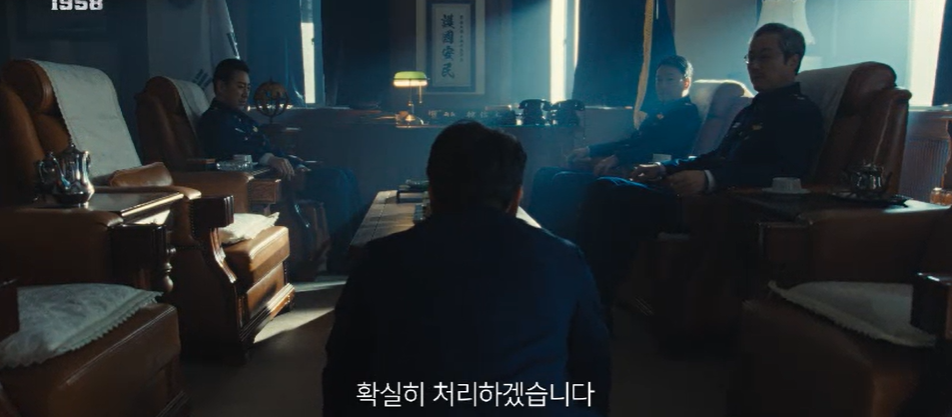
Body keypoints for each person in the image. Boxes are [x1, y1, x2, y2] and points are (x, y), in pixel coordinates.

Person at [323, 120, 611, 417]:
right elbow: (592, 365)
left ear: (432, 192)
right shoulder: (563, 258)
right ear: (516, 198)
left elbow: (344, 370)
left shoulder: (380, 258)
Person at [575, 23, 825, 332]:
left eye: (765, 57)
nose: (754, 66)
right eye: (750, 58)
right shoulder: (753, 110)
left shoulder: (799, 113)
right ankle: (590, 299)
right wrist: (665, 168)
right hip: (702, 196)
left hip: (727, 207)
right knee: (608, 190)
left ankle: (591, 306)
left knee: (608, 192)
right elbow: (714, 156)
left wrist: (709, 179)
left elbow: (783, 172)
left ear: (792, 60)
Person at [197, 58, 363, 275]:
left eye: (248, 88)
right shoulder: (213, 120)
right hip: (262, 178)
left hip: (282, 171)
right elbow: (229, 151)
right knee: (336, 181)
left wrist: (297, 163)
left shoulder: (243, 120)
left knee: (346, 174)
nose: (245, 93)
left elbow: (273, 149)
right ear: (220, 87)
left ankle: (357, 250)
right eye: (240, 87)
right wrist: (268, 159)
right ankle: (340, 258)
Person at [528, 55, 701, 240]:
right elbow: (631, 141)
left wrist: (618, 158)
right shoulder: (658, 111)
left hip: (644, 174)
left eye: (670, 80)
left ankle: (556, 243)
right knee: (544, 174)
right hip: (627, 165)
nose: (663, 85)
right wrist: (590, 150)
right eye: (659, 80)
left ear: (686, 82)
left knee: (563, 180)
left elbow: (658, 147)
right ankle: (533, 239)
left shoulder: (686, 113)